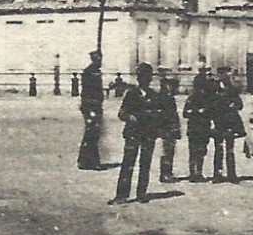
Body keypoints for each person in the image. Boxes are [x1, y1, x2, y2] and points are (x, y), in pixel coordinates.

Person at [110, 63, 161, 204]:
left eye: (147, 77)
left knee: (145, 164)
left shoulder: (154, 95)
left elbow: (160, 114)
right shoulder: (131, 94)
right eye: (142, 77)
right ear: (139, 78)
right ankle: (121, 195)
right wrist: (129, 117)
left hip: (148, 134)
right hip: (133, 133)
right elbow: (121, 113)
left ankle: (141, 194)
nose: (145, 79)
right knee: (128, 163)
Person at [210, 67, 245, 183]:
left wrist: (233, 105)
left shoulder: (233, 89)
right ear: (220, 75)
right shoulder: (213, 89)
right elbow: (211, 105)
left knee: (230, 149)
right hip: (218, 122)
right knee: (218, 148)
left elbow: (240, 104)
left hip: (230, 122)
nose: (227, 76)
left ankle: (231, 174)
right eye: (225, 74)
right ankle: (217, 174)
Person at [182, 73, 213, 183]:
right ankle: (194, 173)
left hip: (201, 127)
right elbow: (185, 113)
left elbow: (210, 112)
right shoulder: (193, 97)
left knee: (199, 150)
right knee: (197, 150)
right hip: (196, 127)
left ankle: (196, 173)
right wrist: (198, 112)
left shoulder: (207, 98)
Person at [77, 50, 105, 170]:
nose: (100, 62)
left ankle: (84, 161)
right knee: (92, 133)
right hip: (90, 107)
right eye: (98, 59)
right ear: (94, 60)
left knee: (93, 133)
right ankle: (92, 162)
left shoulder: (96, 72)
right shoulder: (89, 72)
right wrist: (90, 109)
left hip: (96, 106)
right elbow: (86, 93)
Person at [156, 72, 182, 183]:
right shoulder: (166, 97)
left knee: (169, 151)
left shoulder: (167, 96)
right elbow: (167, 114)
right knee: (168, 151)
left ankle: (167, 173)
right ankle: (165, 174)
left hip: (169, 127)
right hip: (168, 128)